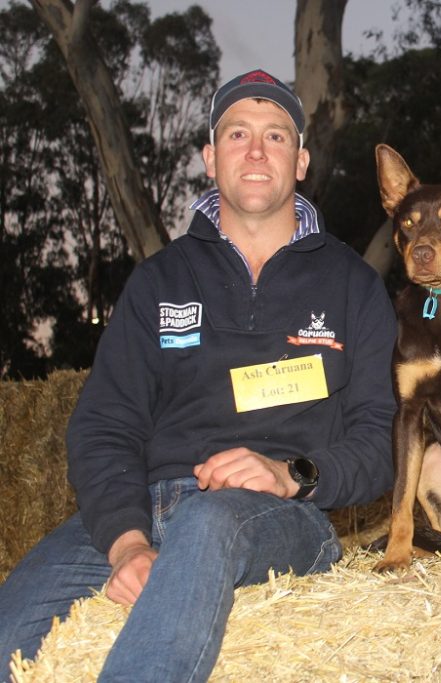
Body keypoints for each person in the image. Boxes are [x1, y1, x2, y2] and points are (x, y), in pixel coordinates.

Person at [0, 69, 396, 681]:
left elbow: (378, 442)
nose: (257, 151)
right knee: (10, 625)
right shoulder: (160, 281)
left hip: (277, 518)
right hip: (149, 505)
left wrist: (292, 474)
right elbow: (105, 426)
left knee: (207, 522)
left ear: (301, 161)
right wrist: (127, 542)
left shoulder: (355, 287)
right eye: (238, 134)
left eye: (276, 136)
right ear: (211, 159)